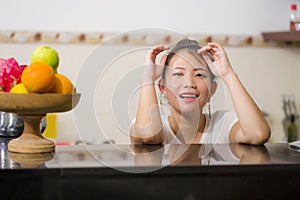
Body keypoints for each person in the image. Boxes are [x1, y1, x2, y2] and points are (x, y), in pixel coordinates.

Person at [130, 39, 271, 145]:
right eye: (178, 74)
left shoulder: (222, 124)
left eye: (199, 75)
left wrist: (228, 74)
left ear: (212, 90)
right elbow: (148, 135)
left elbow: (258, 134)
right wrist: (148, 78)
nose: (189, 83)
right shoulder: (154, 123)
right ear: (163, 88)